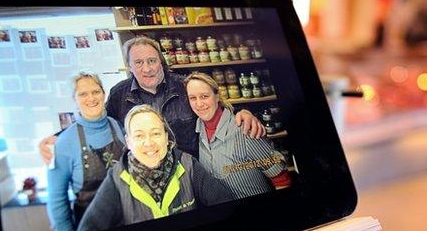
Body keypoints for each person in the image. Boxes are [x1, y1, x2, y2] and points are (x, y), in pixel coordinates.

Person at [39, 36, 263, 161]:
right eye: (138, 63)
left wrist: (242, 113)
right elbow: (97, 122)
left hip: (194, 169)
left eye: (152, 61)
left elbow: (214, 105)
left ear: (161, 61)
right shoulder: (119, 94)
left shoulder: (184, 85)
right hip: (148, 173)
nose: (146, 69)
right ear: (129, 66)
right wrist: (58, 137)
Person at [75, 105, 232, 231]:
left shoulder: (188, 165)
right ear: (128, 142)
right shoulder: (117, 178)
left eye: (156, 133)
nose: (148, 143)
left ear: (166, 136)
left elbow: (226, 207)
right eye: (139, 136)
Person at [184, 72, 291, 199]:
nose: (199, 104)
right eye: (193, 98)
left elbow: (281, 179)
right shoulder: (198, 129)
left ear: (217, 96)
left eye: (204, 96)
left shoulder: (245, 130)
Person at [47, 71, 125, 231]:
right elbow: (56, 199)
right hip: (91, 230)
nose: (91, 98)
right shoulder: (64, 142)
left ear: (104, 94)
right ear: (74, 99)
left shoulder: (118, 127)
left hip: (128, 220)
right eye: (83, 94)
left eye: (96, 92)